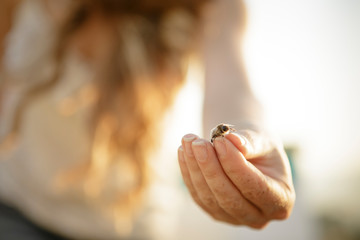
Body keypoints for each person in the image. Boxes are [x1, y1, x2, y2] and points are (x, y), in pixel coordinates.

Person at [0, 0, 295, 239]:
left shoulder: (212, 6)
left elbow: (230, 89)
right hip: (19, 206)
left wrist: (246, 137)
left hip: (129, 227)